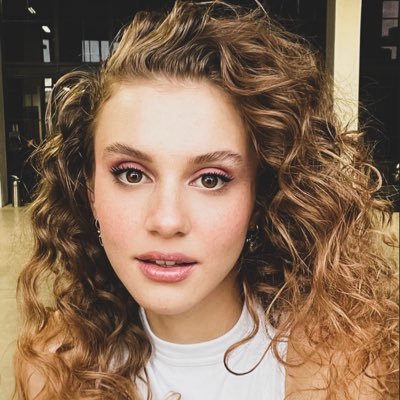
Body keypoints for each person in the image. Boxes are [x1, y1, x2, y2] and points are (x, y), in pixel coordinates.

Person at [14, 1, 398, 399]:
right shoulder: (52, 367)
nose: (166, 220)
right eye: (132, 174)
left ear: (260, 197)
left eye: (211, 179)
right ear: (91, 192)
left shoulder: (347, 371)